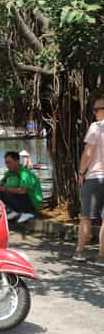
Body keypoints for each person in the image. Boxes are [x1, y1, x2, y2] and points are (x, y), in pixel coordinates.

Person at [73, 96, 104, 263]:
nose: (94, 113)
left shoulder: (96, 127)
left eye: (96, 110)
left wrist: (81, 172)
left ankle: (80, 251)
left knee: (86, 216)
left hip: (94, 177)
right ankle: (102, 255)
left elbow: (88, 153)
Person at [0, 151, 42, 223]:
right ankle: (16, 211)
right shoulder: (9, 173)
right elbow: (1, 183)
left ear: (17, 161)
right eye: (6, 163)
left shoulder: (25, 173)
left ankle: (27, 212)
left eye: (9, 162)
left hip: (31, 202)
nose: (7, 165)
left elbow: (22, 191)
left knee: (8, 191)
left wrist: (5, 188)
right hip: (19, 199)